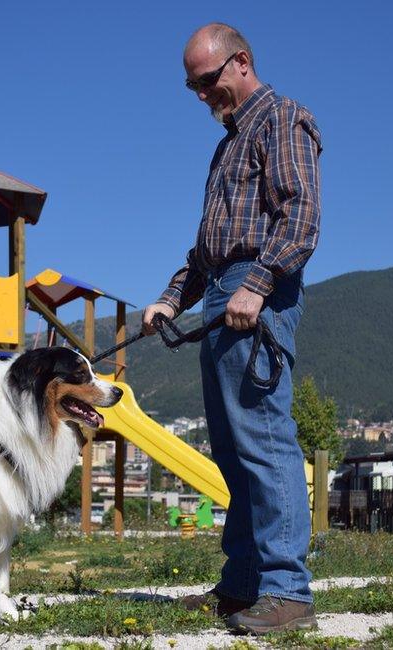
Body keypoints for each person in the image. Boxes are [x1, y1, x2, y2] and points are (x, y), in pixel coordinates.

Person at [141, 23, 322, 634]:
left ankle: (288, 591)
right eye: (191, 86)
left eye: (206, 80)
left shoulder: (284, 118)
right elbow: (204, 250)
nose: (200, 94)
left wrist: (259, 283)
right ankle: (243, 585)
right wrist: (171, 300)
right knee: (233, 450)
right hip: (221, 288)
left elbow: (300, 215)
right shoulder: (227, 144)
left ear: (240, 62)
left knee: (265, 441)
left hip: (253, 290)